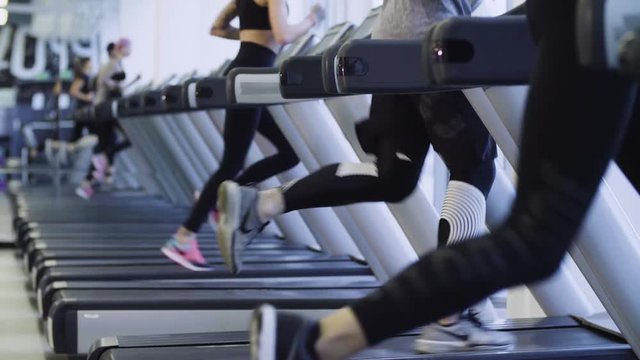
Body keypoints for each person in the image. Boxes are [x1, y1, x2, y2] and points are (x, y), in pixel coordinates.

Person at [248, 0, 639, 359]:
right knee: (507, 206)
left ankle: (315, 330)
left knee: (402, 181)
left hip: (567, 20)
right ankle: (424, 324)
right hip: (595, 20)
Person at [216, 0, 511, 353]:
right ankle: (450, 318)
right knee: (473, 167)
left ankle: (262, 203)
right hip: (431, 47)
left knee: (392, 177)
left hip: (388, 51)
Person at [160, 0, 326, 271]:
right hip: (252, 77)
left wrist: (252, 36)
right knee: (232, 162)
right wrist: (312, 19)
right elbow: (284, 35)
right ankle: (183, 237)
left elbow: (217, 28)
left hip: (246, 72)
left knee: (288, 153)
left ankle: (217, 197)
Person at [76, 39, 139, 199]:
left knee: (107, 144)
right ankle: (94, 177)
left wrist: (131, 83)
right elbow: (105, 82)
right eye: (129, 47)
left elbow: (111, 84)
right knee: (116, 142)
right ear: (121, 48)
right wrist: (117, 86)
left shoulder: (115, 64)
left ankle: (95, 178)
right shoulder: (112, 64)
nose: (130, 50)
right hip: (105, 110)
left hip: (106, 109)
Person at [45, 57, 98, 166]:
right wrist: (86, 97)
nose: (92, 64)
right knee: (93, 136)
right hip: (83, 111)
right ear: (85, 64)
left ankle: (55, 146)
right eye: (90, 62)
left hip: (84, 111)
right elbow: (73, 91)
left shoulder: (86, 77)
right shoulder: (82, 77)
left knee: (77, 139)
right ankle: (54, 145)